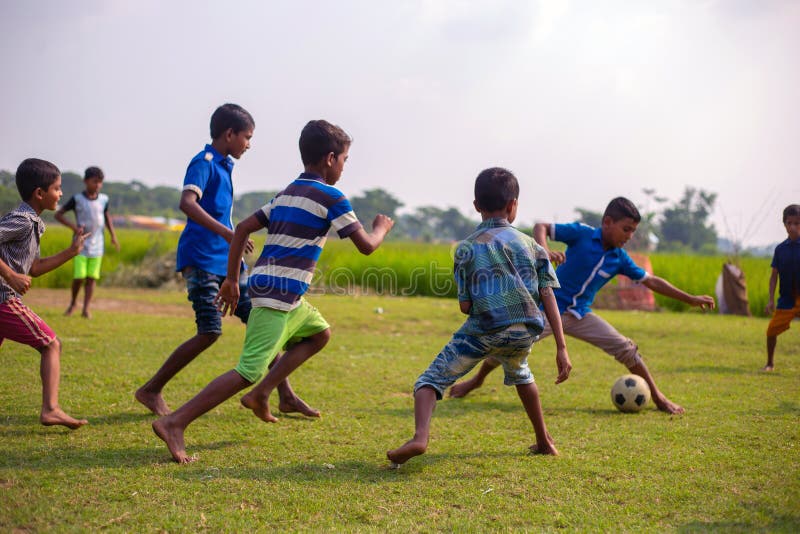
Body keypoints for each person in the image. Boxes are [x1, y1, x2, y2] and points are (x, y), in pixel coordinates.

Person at [152, 119, 394, 463]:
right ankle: (175, 422)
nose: (343, 166)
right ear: (329, 159)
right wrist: (381, 228)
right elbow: (367, 246)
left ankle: (268, 394)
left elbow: (243, 228)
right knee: (247, 370)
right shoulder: (332, 196)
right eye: (344, 159)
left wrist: (233, 279)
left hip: (280, 292)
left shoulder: (287, 193)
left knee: (320, 334)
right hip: (278, 294)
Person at [449, 197, 716, 415]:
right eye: (626, 229)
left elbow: (651, 281)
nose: (629, 236)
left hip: (581, 316)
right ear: (607, 222)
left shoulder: (619, 258)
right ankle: (475, 381)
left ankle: (658, 397)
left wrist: (690, 299)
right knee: (508, 345)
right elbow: (541, 227)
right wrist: (544, 252)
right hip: (547, 310)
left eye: (633, 231)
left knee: (626, 348)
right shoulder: (583, 235)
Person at [135, 103, 314, 419]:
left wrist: (233, 240)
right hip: (202, 259)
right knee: (209, 331)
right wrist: (230, 234)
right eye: (247, 136)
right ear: (229, 134)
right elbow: (187, 203)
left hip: (224, 263)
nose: (249, 144)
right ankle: (151, 390)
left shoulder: (224, 166)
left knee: (262, 326)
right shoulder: (203, 163)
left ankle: (285, 395)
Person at [387, 168, 572, 467]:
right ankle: (544, 441)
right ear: (513, 205)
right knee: (521, 373)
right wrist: (561, 347)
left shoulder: (466, 249)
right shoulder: (533, 247)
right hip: (526, 331)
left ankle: (420, 437)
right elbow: (549, 294)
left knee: (429, 380)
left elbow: (465, 305)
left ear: (476, 205)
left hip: (485, 328)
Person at [0, 158, 90, 429]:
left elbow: (35, 268)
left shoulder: (33, 224)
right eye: (57, 188)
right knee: (51, 344)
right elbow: (20, 273)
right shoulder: (23, 221)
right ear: (40, 193)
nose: (61, 194)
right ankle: (50, 409)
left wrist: (71, 253)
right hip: (4, 298)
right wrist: (10, 275)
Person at [55, 165, 119, 318]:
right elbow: (59, 214)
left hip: (98, 244)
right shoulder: (77, 199)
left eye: (99, 182)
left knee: (91, 278)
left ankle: (86, 308)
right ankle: (73, 303)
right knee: (79, 276)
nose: (97, 185)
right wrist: (73, 227)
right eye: (94, 181)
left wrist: (113, 235)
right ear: (85, 181)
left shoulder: (104, 199)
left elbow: (107, 217)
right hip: (80, 245)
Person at [763, 204, 800, 371]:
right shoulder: (780, 249)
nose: (792, 227)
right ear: (784, 224)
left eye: (797, 223)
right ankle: (770, 363)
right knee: (771, 331)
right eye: (789, 223)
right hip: (787, 299)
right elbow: (773, 277)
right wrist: (771, 300)